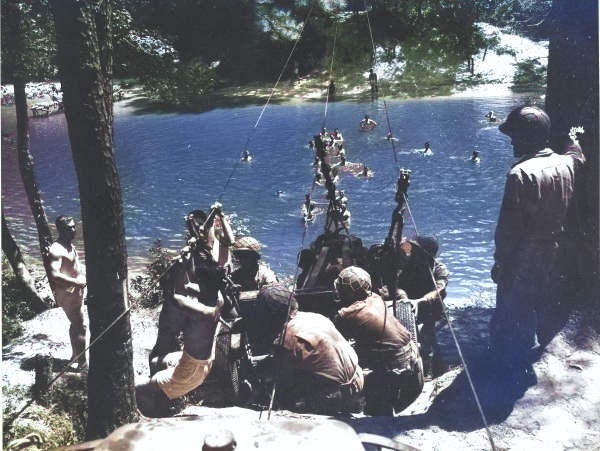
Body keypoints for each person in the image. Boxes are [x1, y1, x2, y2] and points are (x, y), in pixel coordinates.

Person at [489, 106, 586, 371]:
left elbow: (508, 229)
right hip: (556, 249)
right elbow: (577, 154)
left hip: (525, 255)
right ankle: (537, 352)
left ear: (527, 137)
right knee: (543, 302)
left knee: (513, 310)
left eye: (515, 136)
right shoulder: (567, 163)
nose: (511, 141)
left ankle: (510, 366)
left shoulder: (520, 175)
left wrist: (501, 263)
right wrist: (571, 138)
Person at [136, 225, 226, 417]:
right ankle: (163, 393)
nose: (196, 285)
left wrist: (179, 264)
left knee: (138, 388)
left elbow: (172, 295)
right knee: (156, 361)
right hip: (199, 361)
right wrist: (189, 255)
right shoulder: (217, 298)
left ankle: (157, 419)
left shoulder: (203, 311)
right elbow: (185, 285)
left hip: (190, 371)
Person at [148, 206, 234, 376]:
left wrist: (219, 214)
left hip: (213, 289)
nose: (195, 229)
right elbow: (201, 232)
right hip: (205, 289)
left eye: (197, 225)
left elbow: (228, 239)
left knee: (217, 323)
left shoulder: (218, 244)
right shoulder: (199, 243)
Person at [264, 284, 364, 415]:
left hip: (332, 396)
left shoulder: (285, 339)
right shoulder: (317, 316)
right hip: (358, 381)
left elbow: (283, 383)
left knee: (286, 386)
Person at [334, 267, 419, 415]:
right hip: (411, 358)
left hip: (390, 368)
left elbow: (335, 342)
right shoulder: (375, 298)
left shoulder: (346, 314)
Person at [396, 235, 449, 379]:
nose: (412, 251)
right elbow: (398, 286)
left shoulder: (438, 268)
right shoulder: (410, 265)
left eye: (416, 249)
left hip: (436, 314)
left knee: (425, 335)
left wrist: (420, 301)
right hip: (413, 309)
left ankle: (428, 373)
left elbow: (439, 289)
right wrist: (404, 298)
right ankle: (437, 368)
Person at [48, 216, 88, 371]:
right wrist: (76, 282)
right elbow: (54, 275)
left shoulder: (68, 245)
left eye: (73, 226)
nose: (73, 230)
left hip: (75, 291)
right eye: (69, 227)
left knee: (75, 324)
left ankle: (74, 357)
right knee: (81, 326)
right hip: (67, 293)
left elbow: (74, 265)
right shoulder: (56, 249)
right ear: (61, 230)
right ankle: (83, 364)